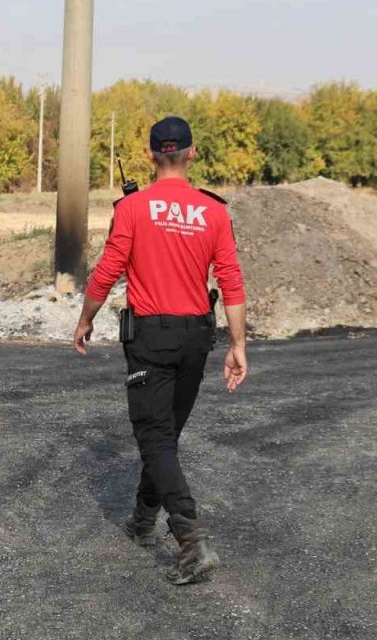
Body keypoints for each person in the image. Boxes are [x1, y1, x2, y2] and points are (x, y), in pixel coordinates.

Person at [73, 116, 248, 586]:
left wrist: (86, 318)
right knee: (165, 434)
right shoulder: (213, 211)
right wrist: (237, 343)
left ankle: (192, 542)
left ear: (151, 155)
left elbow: (109, 268)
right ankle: (143, 520)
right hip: (198, 336)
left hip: (151, 336)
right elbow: (230, 279)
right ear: (191, 154)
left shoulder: (132, 208)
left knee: (155, 437)